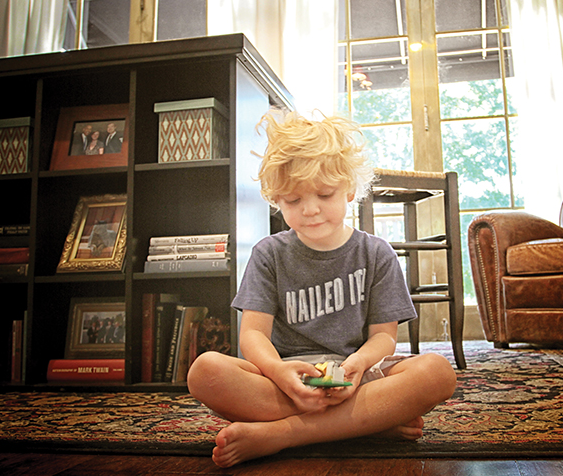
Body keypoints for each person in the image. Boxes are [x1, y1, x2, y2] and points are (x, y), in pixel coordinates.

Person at [187, 109, 457, 468]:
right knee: (204, 371)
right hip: (286, 382)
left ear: (349, 190)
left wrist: (359, 363)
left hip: (359, 377)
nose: (310, 210)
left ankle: (282, 434)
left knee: (437, 373)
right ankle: (365, 425)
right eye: (293, 200)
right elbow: (252, 335)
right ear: (276, 199)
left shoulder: (377, 254)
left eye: (325, 194)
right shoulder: (268, 254)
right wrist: (278, 371)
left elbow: (383, 338)